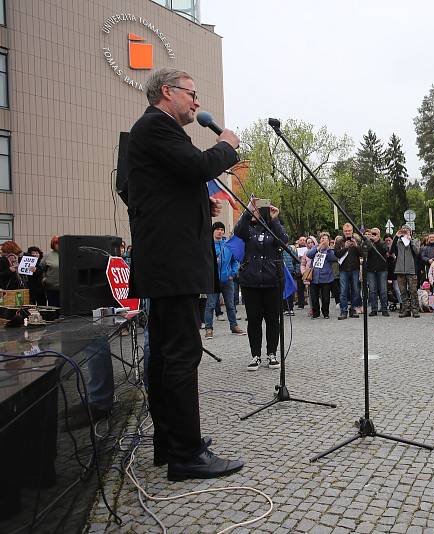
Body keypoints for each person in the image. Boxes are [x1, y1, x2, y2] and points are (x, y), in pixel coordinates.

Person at [126, 67, 243, 481]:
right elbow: (196, 167)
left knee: (164, 355)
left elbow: (166, 186)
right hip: (171, 263)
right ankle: (187, 455)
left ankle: (170, 443)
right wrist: (227, 146)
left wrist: (198, 204)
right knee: (180, 354)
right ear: (165, 92)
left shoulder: (153, 131)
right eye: (191, 94)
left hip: (165, 261)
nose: (197, 102)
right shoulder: (157, 127)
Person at [235, 199, 288, 371]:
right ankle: (255, 355)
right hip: (251, 282)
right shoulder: (247, 229)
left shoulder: (273, 228)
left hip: (272, 280)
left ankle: (271, 353)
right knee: (254, 320)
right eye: (254, 210)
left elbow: (283, 240)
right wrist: (247, 211)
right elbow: (238, 232)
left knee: (273, 319)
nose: (256, 212)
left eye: (259, 210)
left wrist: (274, 219)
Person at [203, 222, 245, 339]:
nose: (220, 231)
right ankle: (209, 328)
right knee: (210, 305)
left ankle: (234, 326)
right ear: (213, 231)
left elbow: (235, 261)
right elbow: (203, 262)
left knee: (231, 305)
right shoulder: (208, 245)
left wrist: (232, 273)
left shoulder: (228, 245)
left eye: (222, 229)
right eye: (217, 229)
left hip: (227, 279)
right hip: (212, 280)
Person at [390, 225, 421, 318]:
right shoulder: (398, 241)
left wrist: (410, 240)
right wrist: (396, 236)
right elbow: (391, 251)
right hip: (400, 269)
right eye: (403, 230)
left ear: (411, 232)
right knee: (402, 291)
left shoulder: (415, 240)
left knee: (413, 290)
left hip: (411, 269)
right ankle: (406, 309)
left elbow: (417, 252)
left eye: (407, 230)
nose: (405, 232)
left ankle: (415, 310)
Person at [334, 222, 363, 320]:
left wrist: (356, 246)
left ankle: (353, 309)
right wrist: (345, 247)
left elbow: (362, 254)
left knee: (355, 290)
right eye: (346, 231)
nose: (347, 232)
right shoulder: (339, 241)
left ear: (352, 231)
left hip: (355, 268)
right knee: (343, 291)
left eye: (349, 231)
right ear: (343, 231)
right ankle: (343, 310)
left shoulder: (357, 240)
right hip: (343, 269)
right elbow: (337, 254)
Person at [306, 232, 337, 319]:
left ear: (329, 240)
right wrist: (318, 248)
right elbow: (309, 255)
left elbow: (334, 259)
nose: (323, 240)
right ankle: (316, 313)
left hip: (326, 277)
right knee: (314, 297)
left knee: (326, 297)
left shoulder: (330, 250)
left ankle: (325, 313)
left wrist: (328, 248)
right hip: (314, 277)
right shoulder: (315, 248)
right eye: (322, 238)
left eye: (325, 238)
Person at [364, 227, 389, 317]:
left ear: (379, 234)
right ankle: (374, 309)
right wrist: (370, 242)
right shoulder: (368, 243)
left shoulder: (383, 243)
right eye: (372, 234)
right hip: (371, 270)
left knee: (383, 290)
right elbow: (364, 252)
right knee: (372, 290)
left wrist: (378, 241)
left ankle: (384, 309)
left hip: (382, 269)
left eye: (375, 234)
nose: (373, 235)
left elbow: (386, 250)